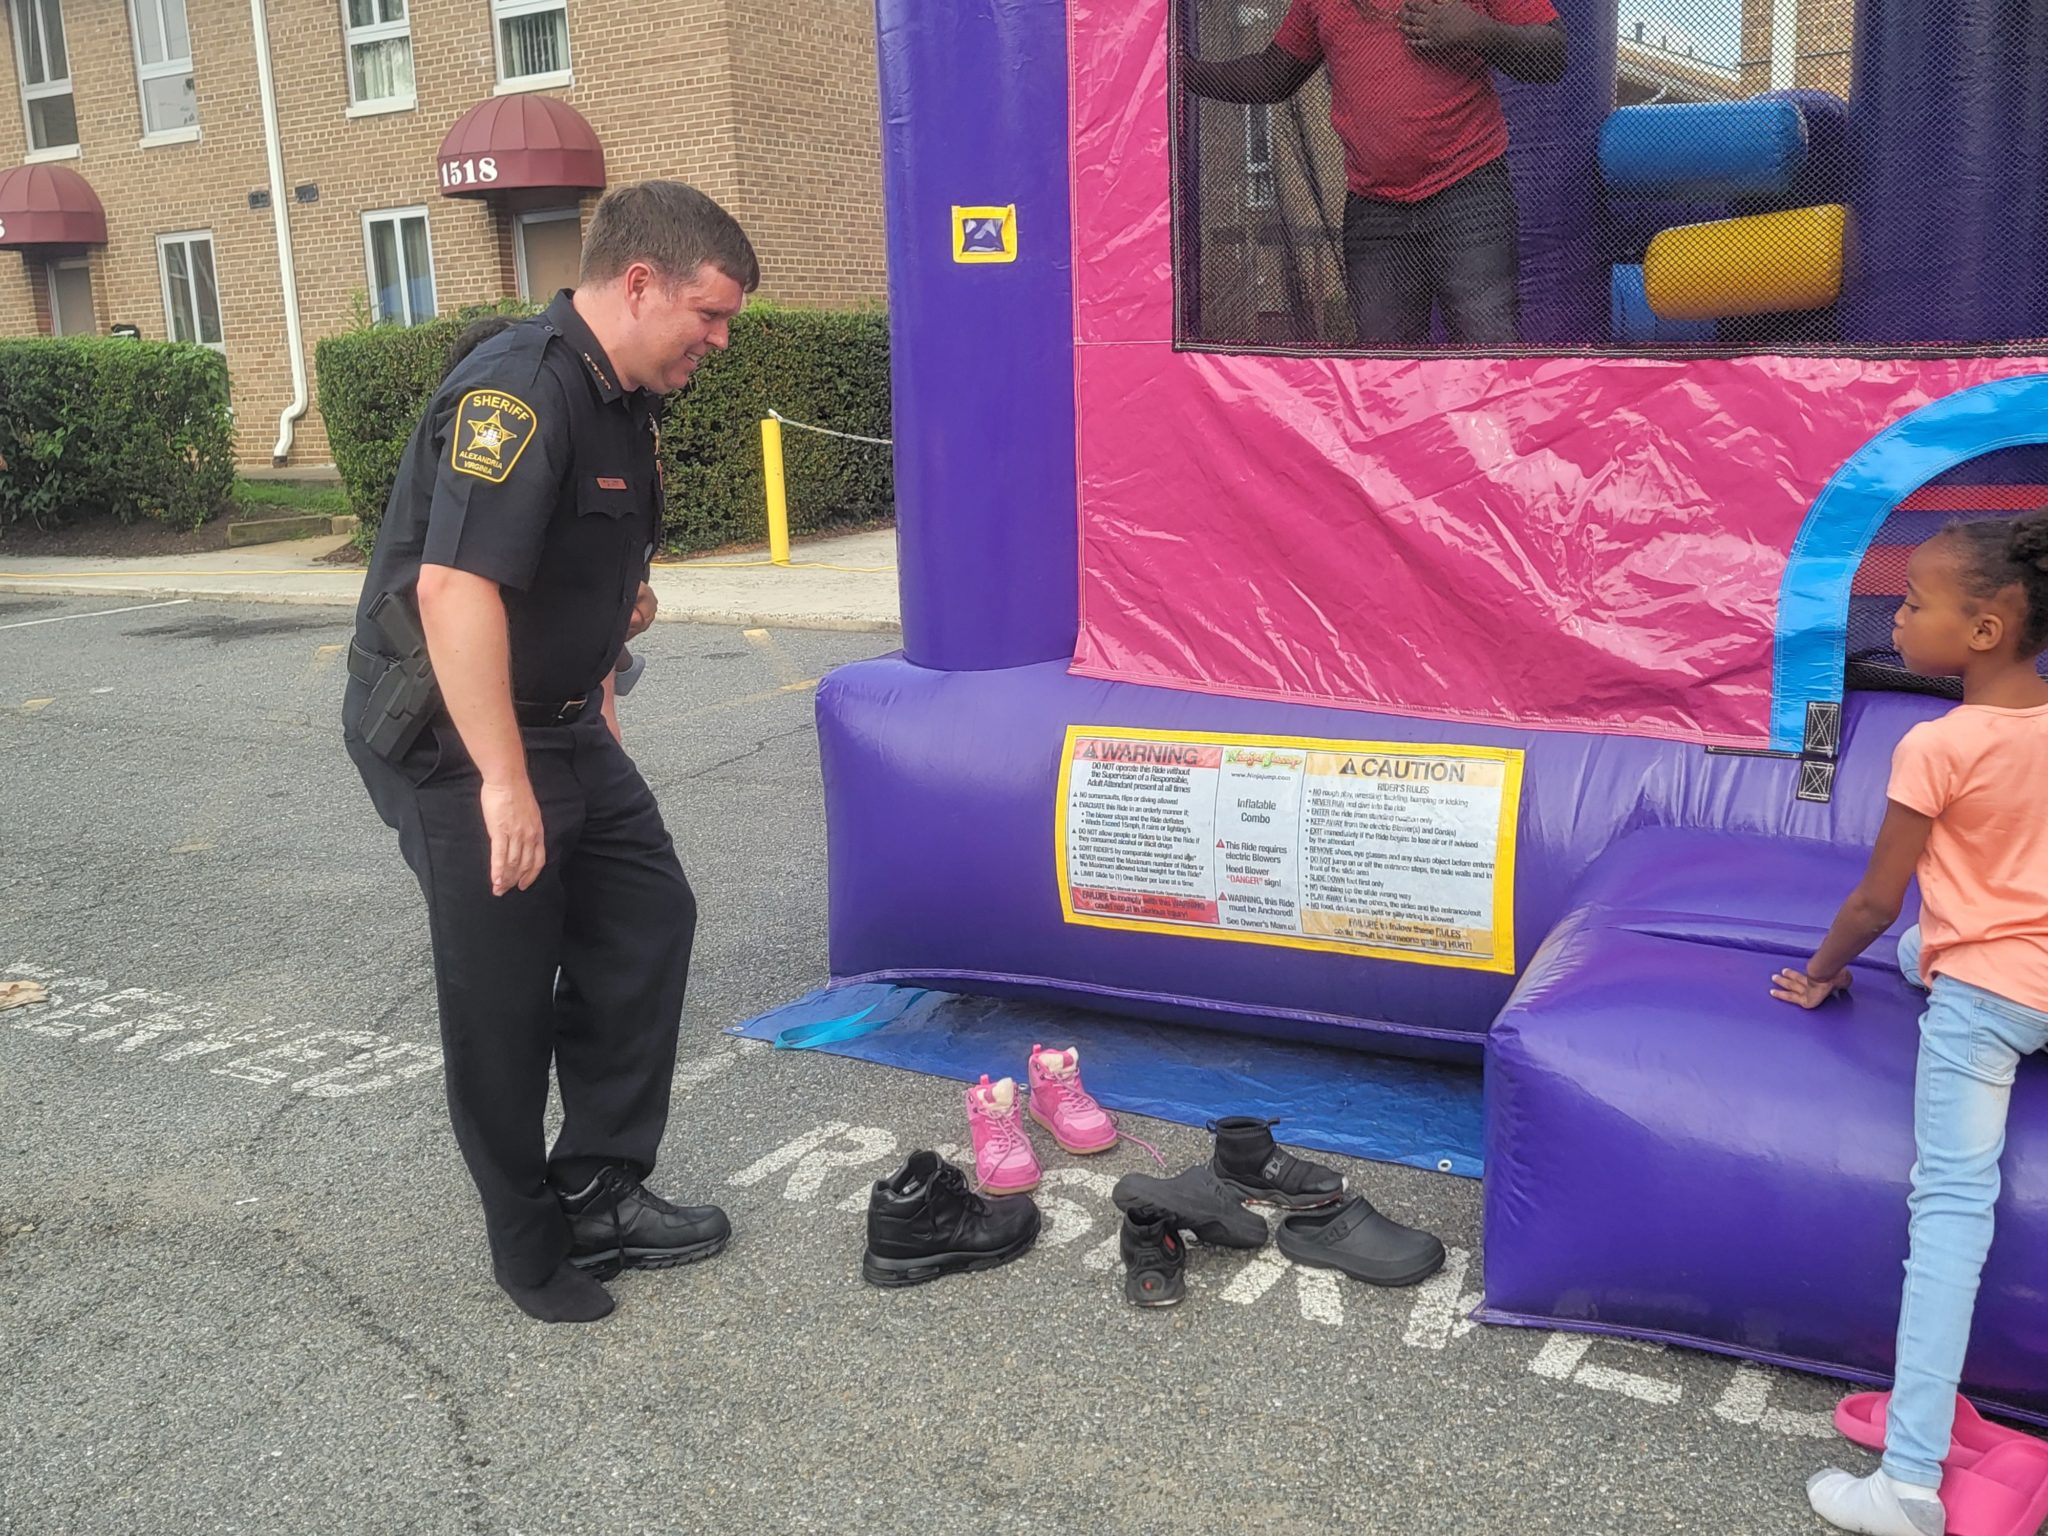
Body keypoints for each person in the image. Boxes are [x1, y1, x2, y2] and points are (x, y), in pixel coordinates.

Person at [342, 180, 758, 1324]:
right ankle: (529, 1249)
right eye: (708, 316)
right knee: (505, 989)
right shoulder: (518, 390)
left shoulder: (621, 397)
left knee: (644, 917)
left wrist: (609, 639)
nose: (718, 342)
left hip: (563, 719)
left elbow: (579, 563)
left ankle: (598, 1188)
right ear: (637, 285)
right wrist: (505, 788)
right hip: (457, 741)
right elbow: (453, 586)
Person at [1771, 512, 2048, 1535]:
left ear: (1981, 631)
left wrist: (1815, 976)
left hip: (1982, 1001)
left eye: (1915, 602)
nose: (1896, 613)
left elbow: (1871, 904)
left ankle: (1907, 1483)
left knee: (1946, 1223)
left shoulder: (1936, 744)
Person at [1181, 0, 1565, 346]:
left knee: (1487, 353)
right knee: (1384, 372)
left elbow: (1553, 55)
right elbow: (1270, 77)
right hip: (1376, 212)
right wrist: (1181, 71)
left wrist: (1475, 31)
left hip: (1467, 193)